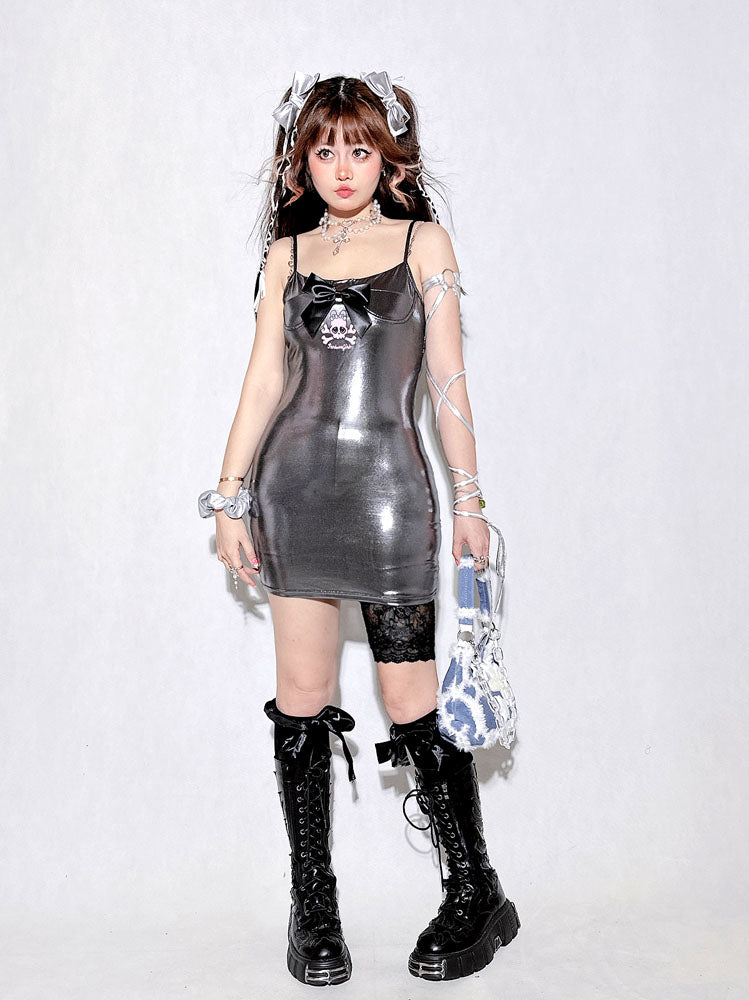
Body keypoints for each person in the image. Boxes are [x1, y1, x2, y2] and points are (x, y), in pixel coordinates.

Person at [198, 70, 520, 986]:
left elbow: (448, 382)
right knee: (301, 699)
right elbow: (264, 381)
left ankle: (476, 891)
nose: (342, 167)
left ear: (390, 158)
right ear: (302, 162)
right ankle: (314, 905)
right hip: (293, 495)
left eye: (360, 148)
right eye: (325, 150)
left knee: (410, 696)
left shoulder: (423, 243)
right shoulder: (286, 256)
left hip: (391, 498)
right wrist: (230, 496)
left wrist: (470, 505)